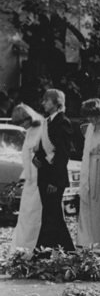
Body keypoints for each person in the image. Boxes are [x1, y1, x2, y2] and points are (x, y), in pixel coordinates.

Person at [32, 89, 75, 251]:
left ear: (56, 102)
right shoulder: (48, 121)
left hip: (54, 178)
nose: (43, 103)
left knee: (53, 215)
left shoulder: (62, 122)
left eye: (46, 100)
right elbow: (44, 147)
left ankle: (66, 251)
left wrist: (55, 181)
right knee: (49, 214)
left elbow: (62, 154)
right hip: (44, 174)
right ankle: (49, 250)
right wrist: (37, 157)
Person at [76, 98, 100, 254]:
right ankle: (89, 242)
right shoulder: (90, 128)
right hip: (90, 167)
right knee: (89, 204)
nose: (91, 120)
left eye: (93, 116)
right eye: (88, 116)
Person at [10, 104, 43, 250]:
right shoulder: (29, 131)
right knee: (25, 214)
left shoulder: (42, 128)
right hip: (30, 178)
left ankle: (31, 246)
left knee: (34, 214)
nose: (23, 125)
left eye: (24, 121)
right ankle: (22, 246)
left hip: (39, 177)